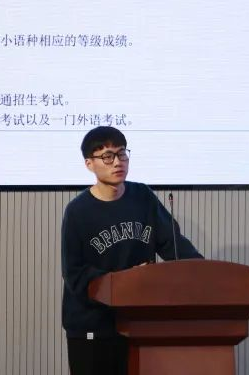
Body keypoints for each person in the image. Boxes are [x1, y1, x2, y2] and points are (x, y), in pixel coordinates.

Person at [60, 126, 203, 375]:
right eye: (107, 156)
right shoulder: (78, 212)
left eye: (122, 153)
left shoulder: (143, 196)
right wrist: (124, 281)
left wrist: (202, 271)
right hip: (92, 327)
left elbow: (173, 244)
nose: (117, 162)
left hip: (138, 323)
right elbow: (75, 274)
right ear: (89, 164)